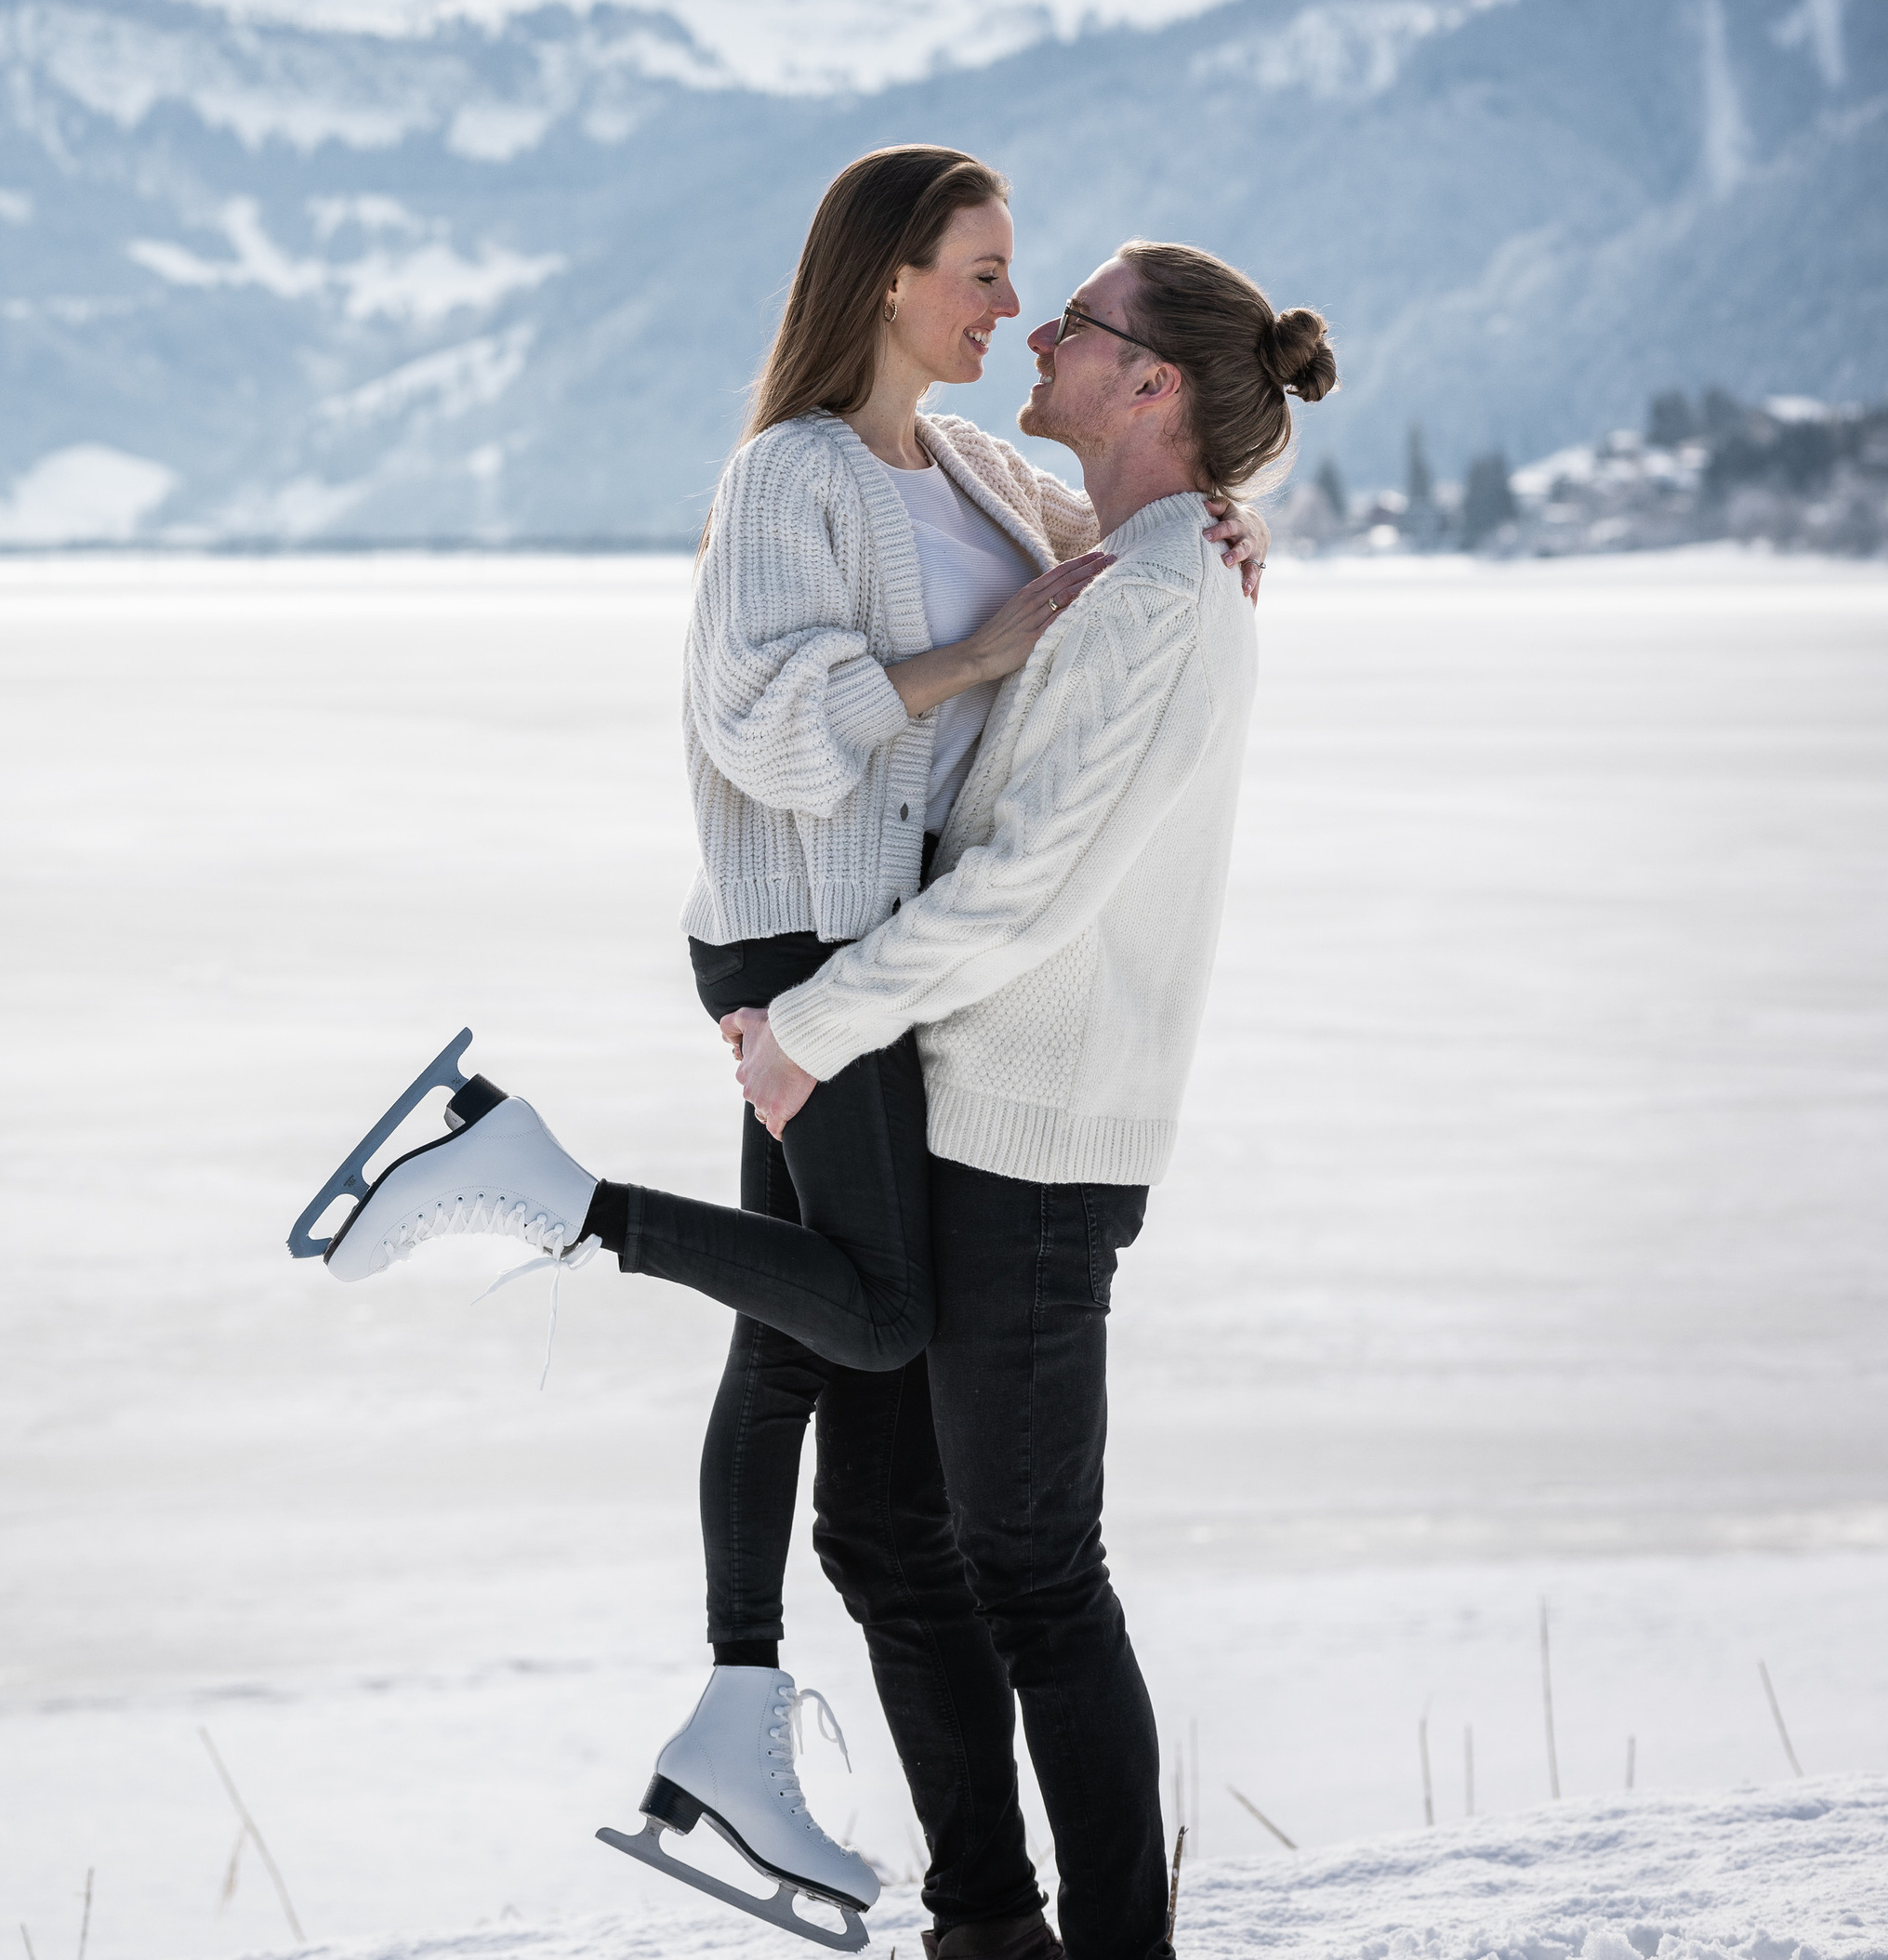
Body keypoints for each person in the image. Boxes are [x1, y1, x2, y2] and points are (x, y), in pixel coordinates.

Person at [302, 148, 1272, 1951]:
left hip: (895, 990)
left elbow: (1113, 593)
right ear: (889, 278)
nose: (1019, 312)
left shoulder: (984, 470)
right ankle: (553, 1198)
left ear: (1141, 377)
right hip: (814, 948)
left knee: (870, 1406)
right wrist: (973, 658)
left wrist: (1210, 518)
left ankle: (767, 1744)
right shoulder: (794, 473)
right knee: (878, 1375)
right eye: (989, 276)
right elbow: (768, 723)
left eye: (1047, 298)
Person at [725, 239, 1338, 1960]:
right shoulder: (1133, 555)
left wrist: (811, 1030)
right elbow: (959, 483)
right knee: (889, 1531)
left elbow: (1027, 887)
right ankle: (988, 1924)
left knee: (1031, 1569)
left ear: (1150, 385)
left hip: (1035, 1146)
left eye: (1076, 320)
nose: (1044, 335)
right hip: (969, 1116)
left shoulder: (1158, 595)